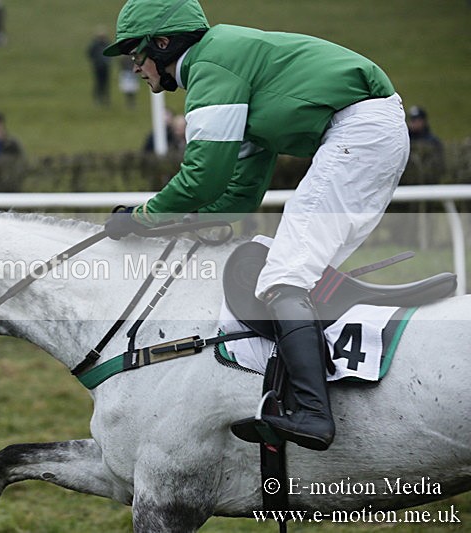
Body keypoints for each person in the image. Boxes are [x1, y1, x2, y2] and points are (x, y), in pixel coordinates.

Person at [102, 0, 409, 451]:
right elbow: (237, 196)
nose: (135, 67)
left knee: (284, 275)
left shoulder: (211, 65)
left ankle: (312, 415)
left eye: (136, 53)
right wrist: (175, 226)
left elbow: (202, 177)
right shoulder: (230, 66)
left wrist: (143, 217)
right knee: (286, 269)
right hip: (366, 133)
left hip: (358, 133)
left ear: (163, 45)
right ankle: (319, 385)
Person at [87, 29, 112, 106]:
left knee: (106, 83)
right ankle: (99, 99)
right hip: (98, 66)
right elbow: (90, 53)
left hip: (105, 66)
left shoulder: (106, 44)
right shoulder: (95, 45)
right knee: (98, 83)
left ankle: (105, 99)